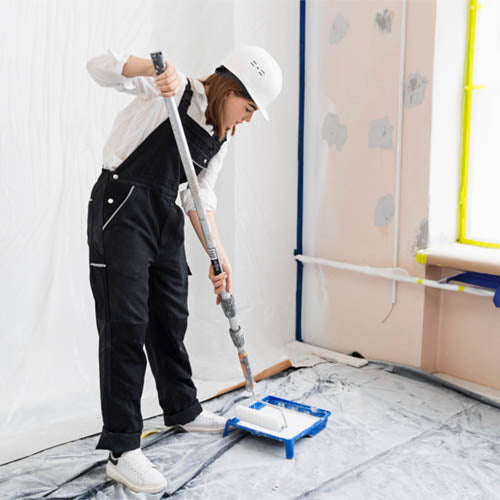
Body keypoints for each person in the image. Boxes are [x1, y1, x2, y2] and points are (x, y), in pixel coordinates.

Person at [85, 46, 282, 493]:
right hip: (124, 210)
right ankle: (123, 447)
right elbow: (98, 67)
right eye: (248, 107)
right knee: (127, 325)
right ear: (230, 88)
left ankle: (182, 408)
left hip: (166, 216)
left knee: (171, 318)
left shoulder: (222, 134)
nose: (248, 119)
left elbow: (198, 195)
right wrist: (152, 70)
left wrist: (219, 254)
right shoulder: (170, 90)